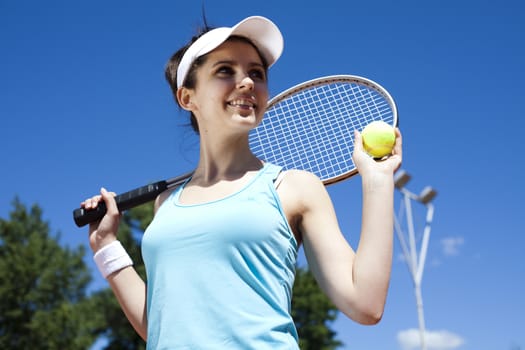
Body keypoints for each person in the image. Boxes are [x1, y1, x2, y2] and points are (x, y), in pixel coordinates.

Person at [81, 15, 402, 349]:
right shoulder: (166, 204)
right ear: (187, 97)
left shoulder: (293, 188)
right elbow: (161, 325)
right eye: (225, 71)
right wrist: (106, 247)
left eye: (256, 73)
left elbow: (365, 304)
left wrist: (377, 181)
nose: (247, 82)